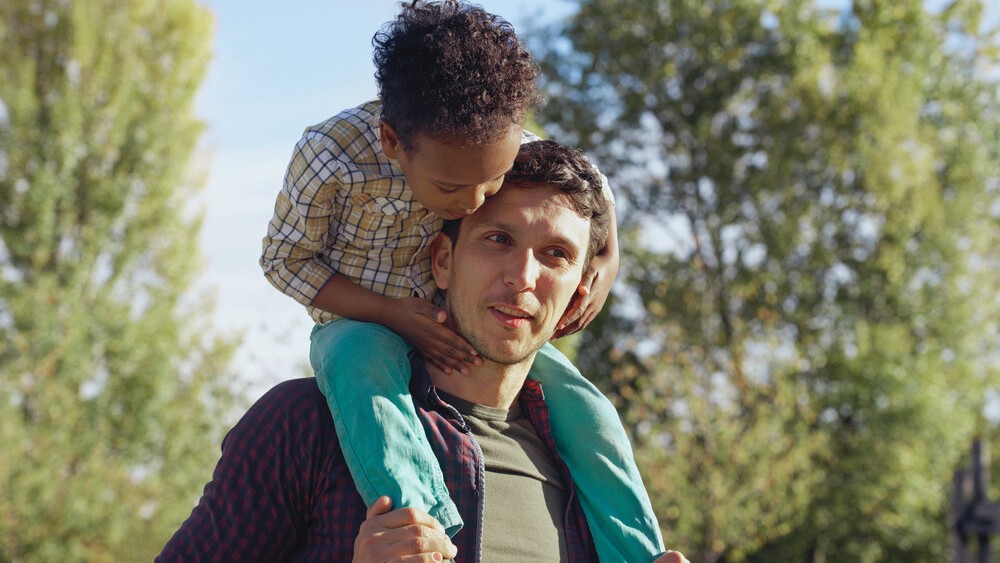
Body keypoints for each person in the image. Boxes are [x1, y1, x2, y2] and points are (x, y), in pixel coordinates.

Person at [259, 2, 663, 560]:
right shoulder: (330, 158)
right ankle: (421, 523)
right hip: (360, 319)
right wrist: (391, 313)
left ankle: (639, 551)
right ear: (393, 141)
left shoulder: (492, 137)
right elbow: (285, 261)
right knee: (363, 372)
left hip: (458, 319)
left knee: (585, 403)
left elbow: (591, 182)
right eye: (453, 189)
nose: (474, 201)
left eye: (492, 182)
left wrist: (609, 257)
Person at [161, 141, 685, 562]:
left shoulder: (587, 479)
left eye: (556, 254)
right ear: (441, 260)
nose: (523, 278)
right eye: (499, 240)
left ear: (579, 289)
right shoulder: (303, 426)